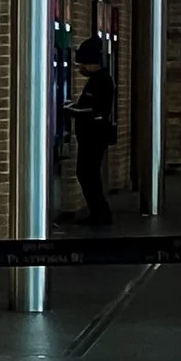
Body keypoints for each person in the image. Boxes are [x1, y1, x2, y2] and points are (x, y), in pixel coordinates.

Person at [70, 35, 115, 228]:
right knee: (89, 175)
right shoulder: (98, 79)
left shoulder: (101, 81)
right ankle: (98, 214)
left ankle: (100, 216)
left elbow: (95, 109)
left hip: (93, 137)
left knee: (87, 175)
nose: (81, 69)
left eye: (83, 64)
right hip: (91, 137)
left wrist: (71, 109)